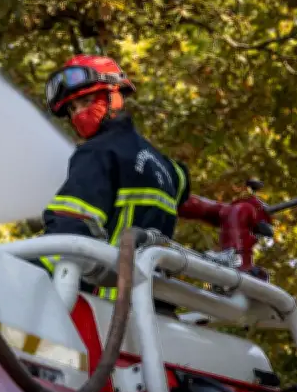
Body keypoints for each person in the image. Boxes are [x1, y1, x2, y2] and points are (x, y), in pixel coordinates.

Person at [34, 54, 233, 301]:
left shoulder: (96, 153)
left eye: (86, 101)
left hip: (100, 306)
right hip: (146, 306)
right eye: (72, 109)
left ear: (114, 96)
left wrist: (26, 273)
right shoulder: (164, 166)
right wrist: (225, 213)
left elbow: (71, 230)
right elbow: (184, 192)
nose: (78, 114)